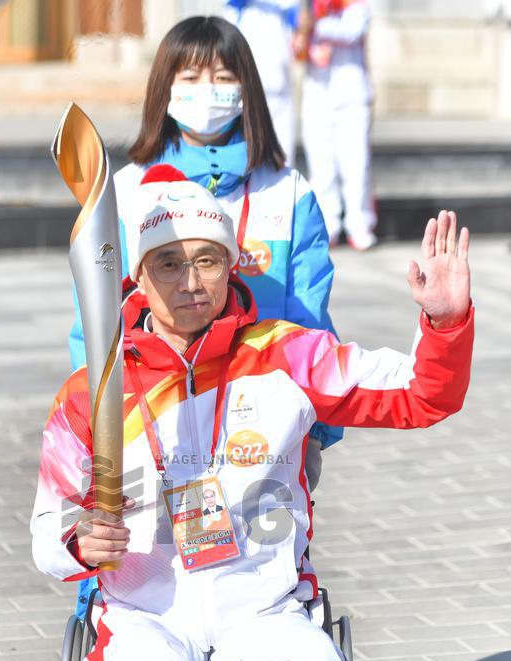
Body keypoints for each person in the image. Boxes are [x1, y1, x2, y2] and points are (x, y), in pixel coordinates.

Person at [31, 168, 473, 661]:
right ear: (136, 275)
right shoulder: (95, 390)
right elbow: (47, 525)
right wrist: (77, 540)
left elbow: (419, 396)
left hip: (259, 606)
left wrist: (443, 324)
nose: (190, 281)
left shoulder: (287, 357)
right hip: (147, 610)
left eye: (207, 259)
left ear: (232, 263)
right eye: (169, 262)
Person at [68, 15, 342, 619]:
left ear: (247, 89)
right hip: (156, 413)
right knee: (147, 560)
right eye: (189, 77)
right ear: (164, 89)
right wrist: (98, 423)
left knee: (256, 565)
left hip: (257, 422)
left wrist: (316, 426)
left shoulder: (286, 192)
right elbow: (94, 321)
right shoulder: (127, 190)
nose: (207, 90)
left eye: (222, 76)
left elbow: (312, 316)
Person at [294, 0, 376, 250]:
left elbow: (351, 32)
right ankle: (328, 224)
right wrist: (300, 29)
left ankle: (359, 224)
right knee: (321, 167)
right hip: (317, 95)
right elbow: (296, 49)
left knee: (356, 165)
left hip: (352, 98)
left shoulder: (354, 6)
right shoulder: (304, 8)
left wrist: (313, 24)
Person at [221, 0, 299, 163]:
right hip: (246, 94)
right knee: (248, 156)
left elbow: (298, 22)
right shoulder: (238, 8)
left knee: (283, 159)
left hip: (280, 90)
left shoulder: (284, 8)